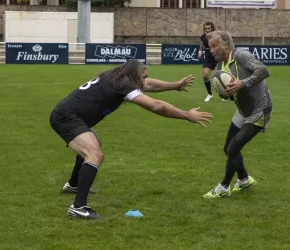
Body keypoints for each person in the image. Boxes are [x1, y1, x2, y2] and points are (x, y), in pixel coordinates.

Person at [50, 60, 213, 219]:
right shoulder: (123, 84)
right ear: (134, 75)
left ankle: (73, 185)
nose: (144, 81)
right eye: (142, 77)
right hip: (67, 117)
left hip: (71, 115)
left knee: (93, 145)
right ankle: (78, 207)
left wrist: (175, 85)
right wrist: (186, 115)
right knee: (94, 154)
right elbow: (157, 106)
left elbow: (148, 84)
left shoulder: (118, 76)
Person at [202, 31, 272, 199]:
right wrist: (223, 93)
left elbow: (264, 70)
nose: (211, 50)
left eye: (214, 46)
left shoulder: (241, 55)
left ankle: (224, 187)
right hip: (242, 111)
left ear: (225, 44)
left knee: (234, 147)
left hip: (259, 109)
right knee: (228, 148)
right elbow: (226, 95)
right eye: (210, 47)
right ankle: (244, 179)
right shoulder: (219, 67)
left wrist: (243, 83)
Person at [197, 21, 221, 102]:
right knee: (205, 75)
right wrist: (200, 52)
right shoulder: (203, 36)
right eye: (205, 29)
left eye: (209, 29)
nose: (207, 30)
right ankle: (210, 94)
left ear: (212, 28)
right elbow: (202, 43)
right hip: (208, 59)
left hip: (217, 59)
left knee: (220, 77)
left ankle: (225, 94)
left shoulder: (217, 36)